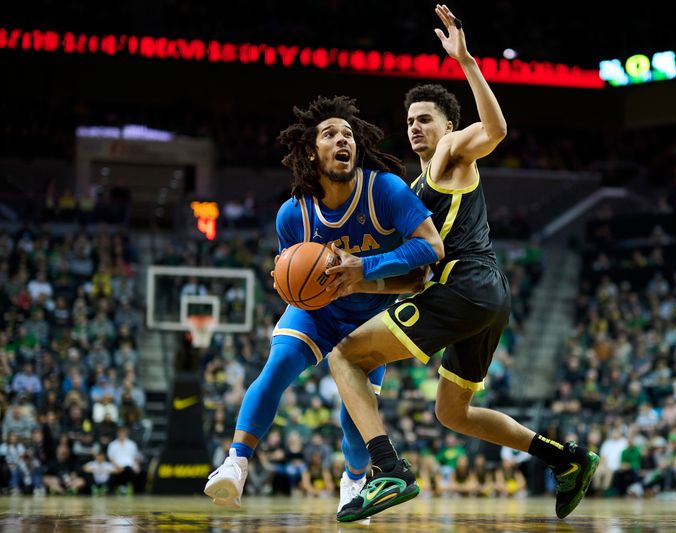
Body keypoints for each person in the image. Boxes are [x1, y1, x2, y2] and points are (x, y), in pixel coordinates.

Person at [329, 5, 598, 522]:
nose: (414, 127)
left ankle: (387, 469)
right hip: (482, 295)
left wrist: (467, 63)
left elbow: (495, 129)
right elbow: (412, 275)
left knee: (345, 356)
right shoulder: (412, 188)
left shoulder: (454, 150)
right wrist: (353, 279)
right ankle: (566, 459)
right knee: (452, 412)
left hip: (468, 286)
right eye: (409, 121)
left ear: (448, 125)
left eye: (424, 119)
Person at [203, 95, 444, 515]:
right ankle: (235, 463)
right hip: (318, 310)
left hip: (371, 313)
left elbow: (432, 246)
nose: (342, 139)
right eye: (329, 133)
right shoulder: (292, 215)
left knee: (355, 425)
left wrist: (363, 267)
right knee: (276, 367)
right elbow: (294, 282)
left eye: (348, 134)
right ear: (311, 151)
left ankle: (353, 480)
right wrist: (288, 283)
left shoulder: (384, 190)